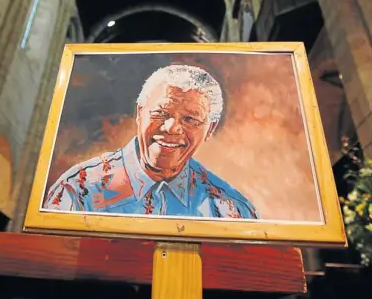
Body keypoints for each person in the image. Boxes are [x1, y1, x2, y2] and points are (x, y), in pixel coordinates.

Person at [44, 64, 259, 219]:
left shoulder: (231, 210)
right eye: (161, 113)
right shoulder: (78, 190)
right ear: (139, 113)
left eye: (190, 119)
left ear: (209, 129)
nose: (172, 128)